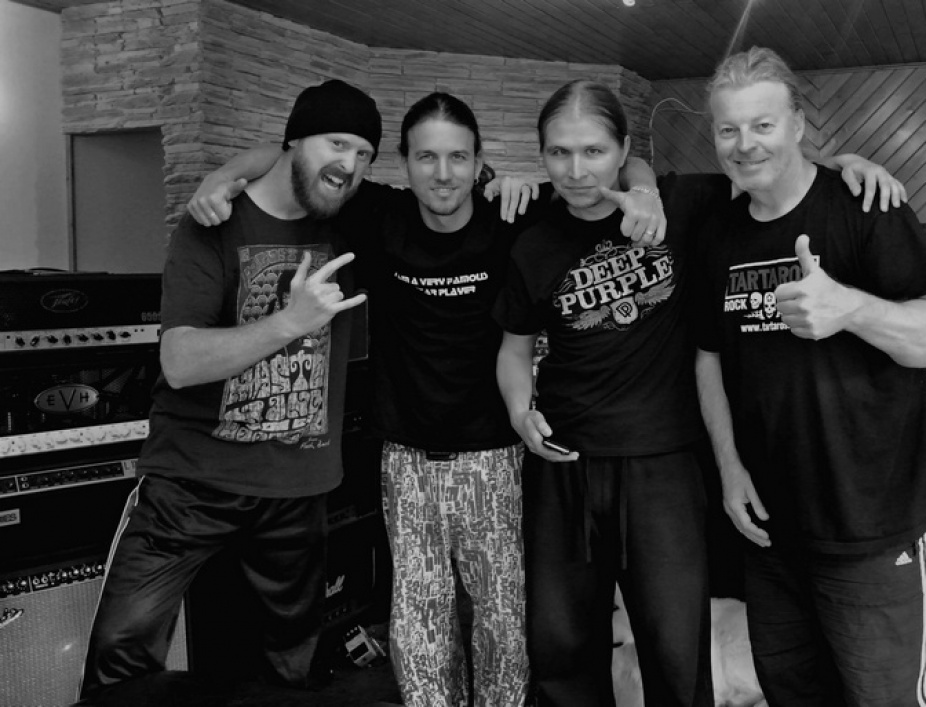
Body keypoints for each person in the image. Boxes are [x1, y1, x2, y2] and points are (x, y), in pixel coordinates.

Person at [185, 90, 665, 707]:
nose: (443, 174)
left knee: (505, 625)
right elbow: (290, 157)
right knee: (420, 624)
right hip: (407, 460)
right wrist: (221, 176)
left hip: (496, 459)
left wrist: (646, 190)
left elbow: (616, 167)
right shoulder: (378, 215)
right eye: (427, 157)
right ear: (404, 164)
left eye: (458, 157)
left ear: (479, 161)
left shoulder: (513, 212)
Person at [493, 78, 909, 707]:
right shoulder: (533, 239)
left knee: (676, 647)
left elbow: (773, 171)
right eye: (559, 153)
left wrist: (846, 165)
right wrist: (519, 410)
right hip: (562, 465)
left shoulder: (685, 203)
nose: (576, 171)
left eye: (594, 151)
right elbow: (514, 348)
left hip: (664, 465)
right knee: (562, 646)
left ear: (624, 150)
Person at [78, 78, 377, 701]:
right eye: (337, 143)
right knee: (120, 665)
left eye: (364, 153)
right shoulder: (212, 224)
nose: (349, 164)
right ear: (294, 141)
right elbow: (180, 361)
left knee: (284, 678)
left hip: (297, 493)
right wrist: (290, 322)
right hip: (190, 486)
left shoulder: (350, 216)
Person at [694, 47, 926, 707]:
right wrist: (728, 468)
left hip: (875, 524)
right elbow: (709, 357)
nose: (745, 144)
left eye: (763, 124)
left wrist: (852, 309)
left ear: (798, 124)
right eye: (728, 129)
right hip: (772, 531)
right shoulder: (718, 231)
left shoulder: (865, 205)